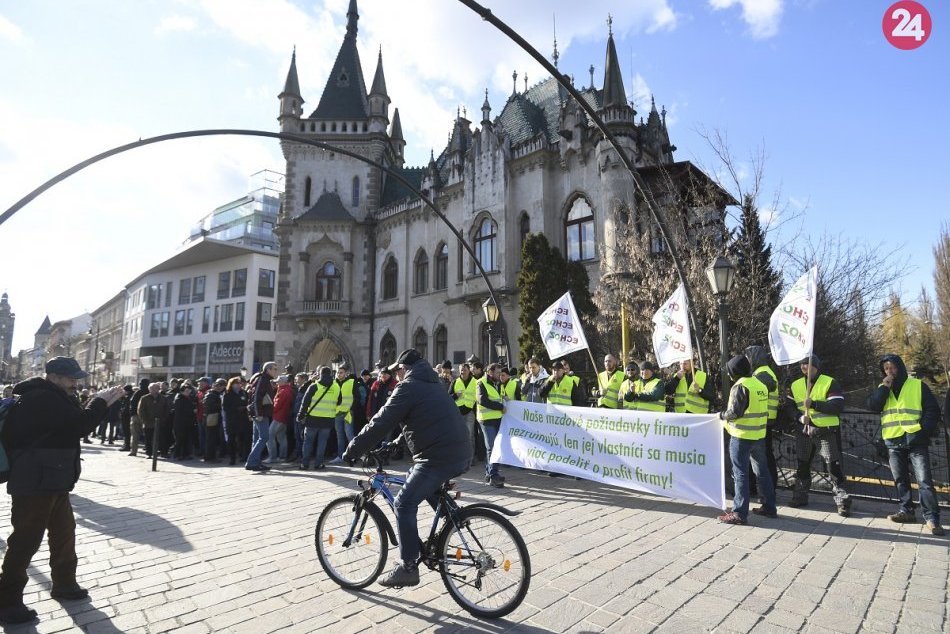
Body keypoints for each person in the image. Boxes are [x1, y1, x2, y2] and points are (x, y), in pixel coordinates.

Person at [0, 357, 124, 624]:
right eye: (71, 378)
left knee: (64, 534)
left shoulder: (53, 396)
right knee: (25, 541)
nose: (75, 383)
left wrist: (102, 403)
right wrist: (100, 401)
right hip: (35, 481)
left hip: (53, 479)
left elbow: (72, 426)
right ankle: (7, 601)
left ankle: (64, 583)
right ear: (54, 377)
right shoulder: (42, 398)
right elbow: (80, 425)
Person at [343, 349, 471, 588]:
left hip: (437, 458)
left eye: (397, 371)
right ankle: (452, 520)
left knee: (403, 503)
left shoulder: (408, 387)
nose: (396, 376)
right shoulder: (433, 384)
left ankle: (408, 567)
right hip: (460, 453)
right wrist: (393, 445)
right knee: (415, 476)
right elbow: (420, 422)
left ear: (404, 369)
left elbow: (381, 421)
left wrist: (353, 448)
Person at [865, 354, 943, 535]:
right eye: (886, 369)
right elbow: (873, 406)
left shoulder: (917, 385)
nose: (889, 371)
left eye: (892, 367)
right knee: (900, 479)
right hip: (893, 439)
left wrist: (922, 430)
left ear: (899, 367)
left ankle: (932, 518)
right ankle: (906, 511)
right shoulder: (882, 387)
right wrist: (884, 388)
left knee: (924, 480)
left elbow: (932, 410)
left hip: (915, 439)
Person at [785, 355, 850, 516]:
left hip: (825, 432)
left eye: (807, 365)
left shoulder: (829, 382)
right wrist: (799, 417)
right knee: (802, 464)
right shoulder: (795, 385)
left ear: (816, 366)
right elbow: (789, 407)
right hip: (804, 431)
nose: (804, 368)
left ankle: (842, 501)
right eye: (801, 365)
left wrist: (814, 404)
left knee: (833, 466)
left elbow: (837, 405)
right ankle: (800, 496)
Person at [717, 355, 776, 525]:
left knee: (740, 474)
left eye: (729, 371)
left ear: (734, 372)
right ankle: (769, 507)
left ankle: (739, 513)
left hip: (741, 437)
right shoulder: (760, 384)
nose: (728, 375)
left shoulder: (741, 386)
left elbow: (735, 413)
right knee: (762, 472)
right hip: (758, 435)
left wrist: (721, 415)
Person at [744, 346, 779, 489]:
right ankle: (763, 488)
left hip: (763, 420)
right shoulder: (761, 371)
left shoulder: (763, 373)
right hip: (763, 420)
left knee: (763, 457)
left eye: (748, 356)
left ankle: (768, 488)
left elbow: (764, 387)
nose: (747, 360)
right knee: (762, 456)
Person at [298, 366, 340, 470]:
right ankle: (319, 464)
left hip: (313, 419)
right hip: (328, 420)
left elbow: (305, 402)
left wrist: (301, 415)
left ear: (320, 374)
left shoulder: (314, 386)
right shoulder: (336, 386)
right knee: (322, 442)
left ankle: (304, 464)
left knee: (308, 442)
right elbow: (339, 401)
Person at [476, 363, 506, 488]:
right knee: (492, 447)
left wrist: (503, 399)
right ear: (490, 372)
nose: (500, 375)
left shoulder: (497, 383)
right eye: (498, 373)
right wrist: (500, 406)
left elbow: (496, 398)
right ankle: (493, 476)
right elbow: (482, 400)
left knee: (495, 446)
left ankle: (490, 473)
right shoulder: (481, 383)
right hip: (486, 420)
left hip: (497, 419)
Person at [247, 362, 277, 471]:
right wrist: (258, 413)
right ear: (268, 369)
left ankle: (255, 462)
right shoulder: (262, 379)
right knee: (264, 437)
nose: (275, 371)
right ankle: (251, 461)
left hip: (260, 413)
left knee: (256, 439)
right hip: (261, 413)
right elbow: (256, 398)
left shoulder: (264, 379)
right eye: (274, 369)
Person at [449, 363, 478, 466]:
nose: (462, 371)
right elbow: (448, 397)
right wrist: (455, 395)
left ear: (469, 370)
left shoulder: (475, 382)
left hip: (470, 411)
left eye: (464, 370)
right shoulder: (455, 381)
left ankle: (471, 458)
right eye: (461, 370)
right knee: (458, 436)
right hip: (458, 412)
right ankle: (459, 457)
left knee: (470, 435)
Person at [328, 365, 357, 465]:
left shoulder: (352, 382)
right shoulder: (333, 383)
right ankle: (340, 456)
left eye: (341, 372)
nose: (339, 374)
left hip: (348, 413)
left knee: (349, 435)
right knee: (339, 436)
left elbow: (357, 397)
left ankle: (354, 456)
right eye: (337, 372)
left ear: (346, 373)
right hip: (336, 413)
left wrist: (352, 409)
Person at [223, 377, 252, 466]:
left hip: (243, 420)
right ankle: (232, 458)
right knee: (231, 440)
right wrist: (237, 409)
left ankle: (244, 456)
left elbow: (248, 403)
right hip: (232, 420)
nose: (238, 385)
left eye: (239, 383)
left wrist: (246, 408)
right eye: (235, 383)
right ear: (231, 385)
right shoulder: (227, 394)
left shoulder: (244, 393)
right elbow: (225, 408)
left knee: (243, 439)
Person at [137, 383, 170, 458]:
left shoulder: (163, 398)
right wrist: (144, 420)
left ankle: (163, 452)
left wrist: (163, 418)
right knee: (148, 439)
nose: (154, 390)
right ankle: (149, 453)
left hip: (160, 422)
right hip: (148, 423)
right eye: (152, 389)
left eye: (156, 388)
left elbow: (167, 409)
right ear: (149, 389)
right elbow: (140, 410)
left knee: (162, 438)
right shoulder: (144, 398)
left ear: (159, 389)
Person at [267, 375, 294, 463]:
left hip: (278, 417)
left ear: (283, 382)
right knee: (281, 437)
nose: (277, 382)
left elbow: (276, 406)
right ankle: (282, 457)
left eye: (278, 381)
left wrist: (268, 409)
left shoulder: (283, 391)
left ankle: (272, 457)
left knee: (269, 436)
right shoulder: (288, 390)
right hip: (284, 417)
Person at [171, 384, 197, 460]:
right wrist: (192, 411)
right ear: (182, 391)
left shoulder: (189, 398)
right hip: (180, 422)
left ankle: (186, 454)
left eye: (189, 390)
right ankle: (177, 455)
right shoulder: (179, 399)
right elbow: (180, 411)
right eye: (186, 390)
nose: (188, 391)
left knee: (187, 439)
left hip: (188, 422)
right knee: (179, 440)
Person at [127, 378, 150, 456]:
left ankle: (134, 451)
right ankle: (149, 451)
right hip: (147, 417)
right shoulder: (150, 393)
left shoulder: (137, 393)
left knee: (135, 435)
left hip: (136, 416)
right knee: (148, 435)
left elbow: (132, 404)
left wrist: (132, 414)